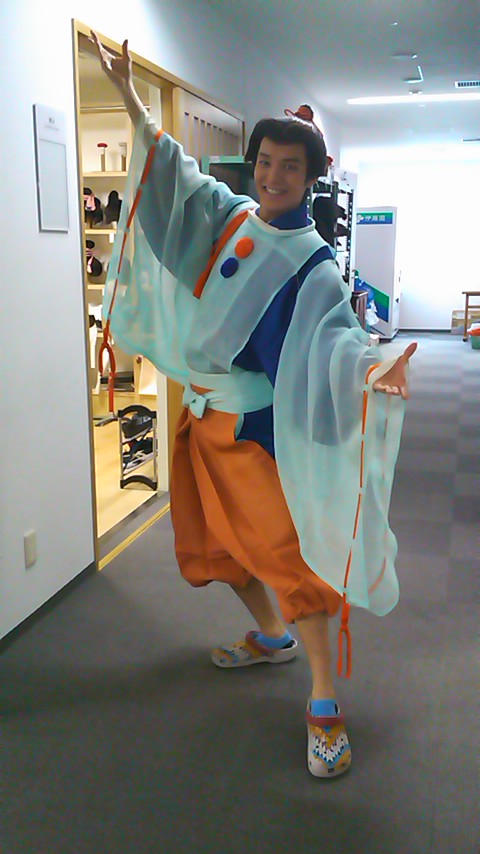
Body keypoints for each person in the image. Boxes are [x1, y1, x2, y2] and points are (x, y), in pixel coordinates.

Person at [91, 33, 417, 779]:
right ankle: (270, 637)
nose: (273, 176)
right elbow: (172, 176)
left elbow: (338, 343)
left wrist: (376, 370)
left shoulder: (314, 265)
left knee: (286, 557)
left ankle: (324, 699)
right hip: (201, 418)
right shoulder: (234, 215)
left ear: (311, 178)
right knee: (217, 543)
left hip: (255, 431)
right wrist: (133, 98)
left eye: (289, 166)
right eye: (265, 161)